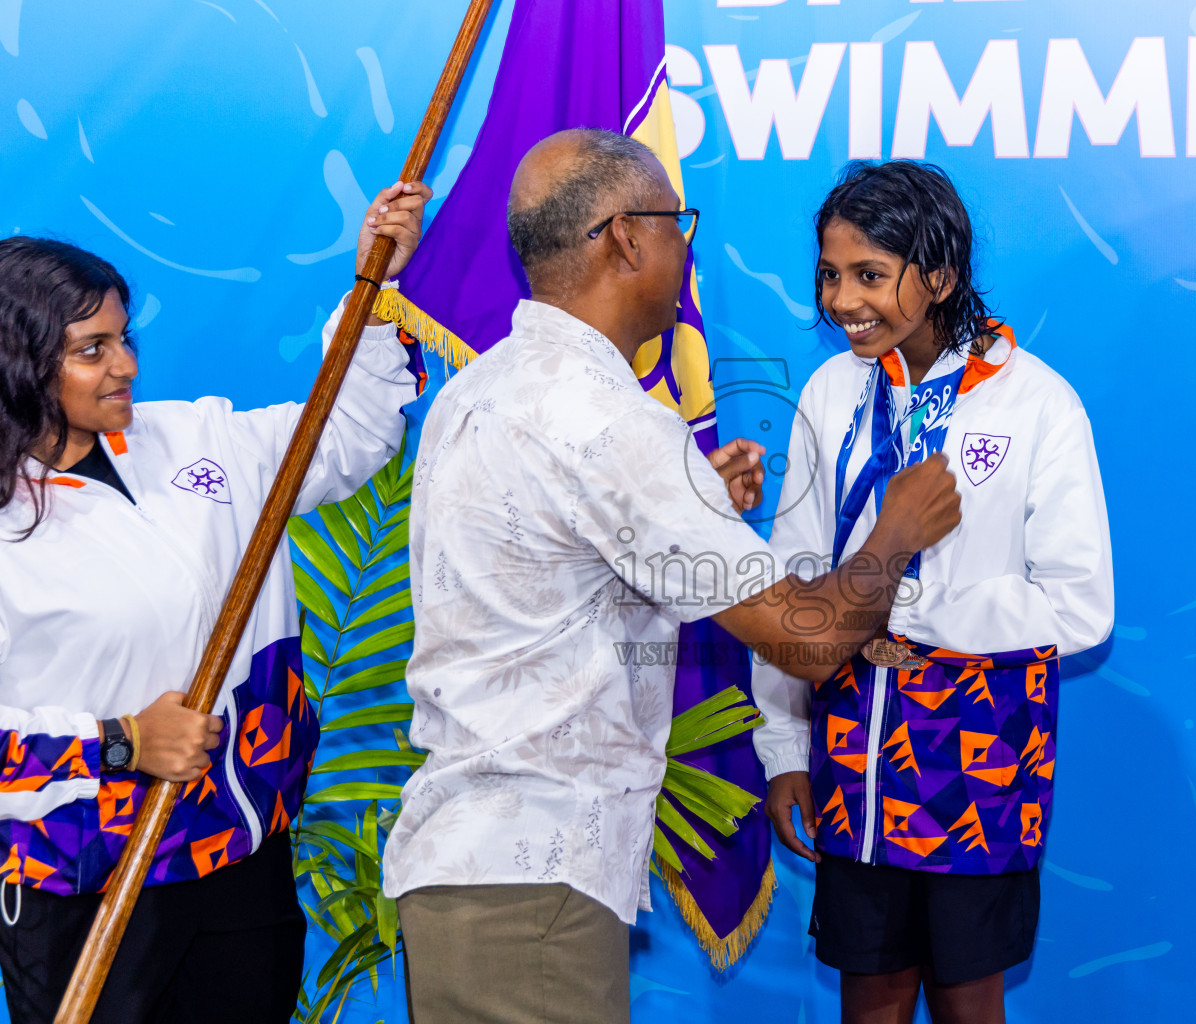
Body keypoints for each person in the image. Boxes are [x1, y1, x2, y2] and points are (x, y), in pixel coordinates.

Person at [382, 128, 962, 1024]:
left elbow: (557, 570)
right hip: (530, 889)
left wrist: (697, 512)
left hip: (479, 871)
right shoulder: (610, 424)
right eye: (676, 222)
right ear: (625, 238)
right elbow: (807, 640)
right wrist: (894, 534)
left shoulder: (481, 387)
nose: (686, 247)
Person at [0, 180, 433, 1023]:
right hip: (87, 882)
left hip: (233, 860)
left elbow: (344, 435)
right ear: (18, 363)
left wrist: (372, 294)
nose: (125, 365)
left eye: (124, 339)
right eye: (92, 350)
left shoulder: (194, 438)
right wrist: (120, 744)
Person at [752, 161, 1114, 1024]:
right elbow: (790, 578)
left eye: (871, 275)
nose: (844, 300)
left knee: (967, 1003)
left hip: (979, 763)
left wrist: (906, 606)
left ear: (940, 276)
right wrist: (785, 750)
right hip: (852, 761)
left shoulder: (1037, 404)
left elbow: (1080, 606)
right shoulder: (831, 391)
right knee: (868, 998)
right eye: (831, 275)